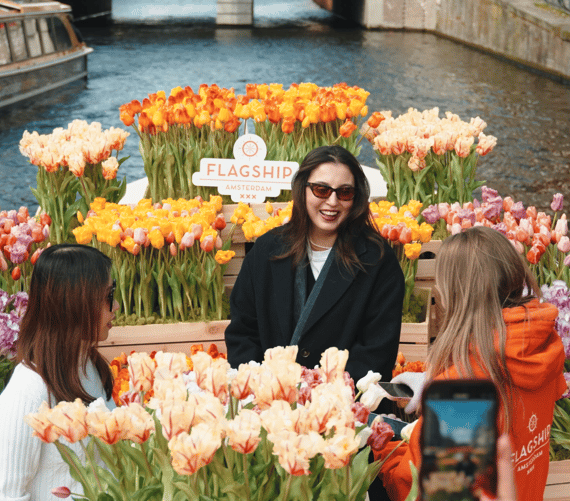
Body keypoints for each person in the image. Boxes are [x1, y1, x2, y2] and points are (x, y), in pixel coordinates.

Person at [376, 226, 568, 501]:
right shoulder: (542, 345)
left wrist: (382, 446)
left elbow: (417, 486)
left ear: (456, 294)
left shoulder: (461, 391)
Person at [224, 145, 405, 382]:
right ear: (303, 189)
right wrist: (263, 387)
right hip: (270, 400)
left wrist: (323, 391)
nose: (332, 202)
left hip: (341, 405)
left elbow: (377, 350)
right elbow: (243, 331)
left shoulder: (377, 260)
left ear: (356, 196)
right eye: (321, 190)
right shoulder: (267, 250)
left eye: (345, 193)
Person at [0, 243, 119, 501]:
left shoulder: (89, 365)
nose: (114, 308)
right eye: (107, 296)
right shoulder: (28, 392)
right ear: (74, 305)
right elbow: (6, 497)